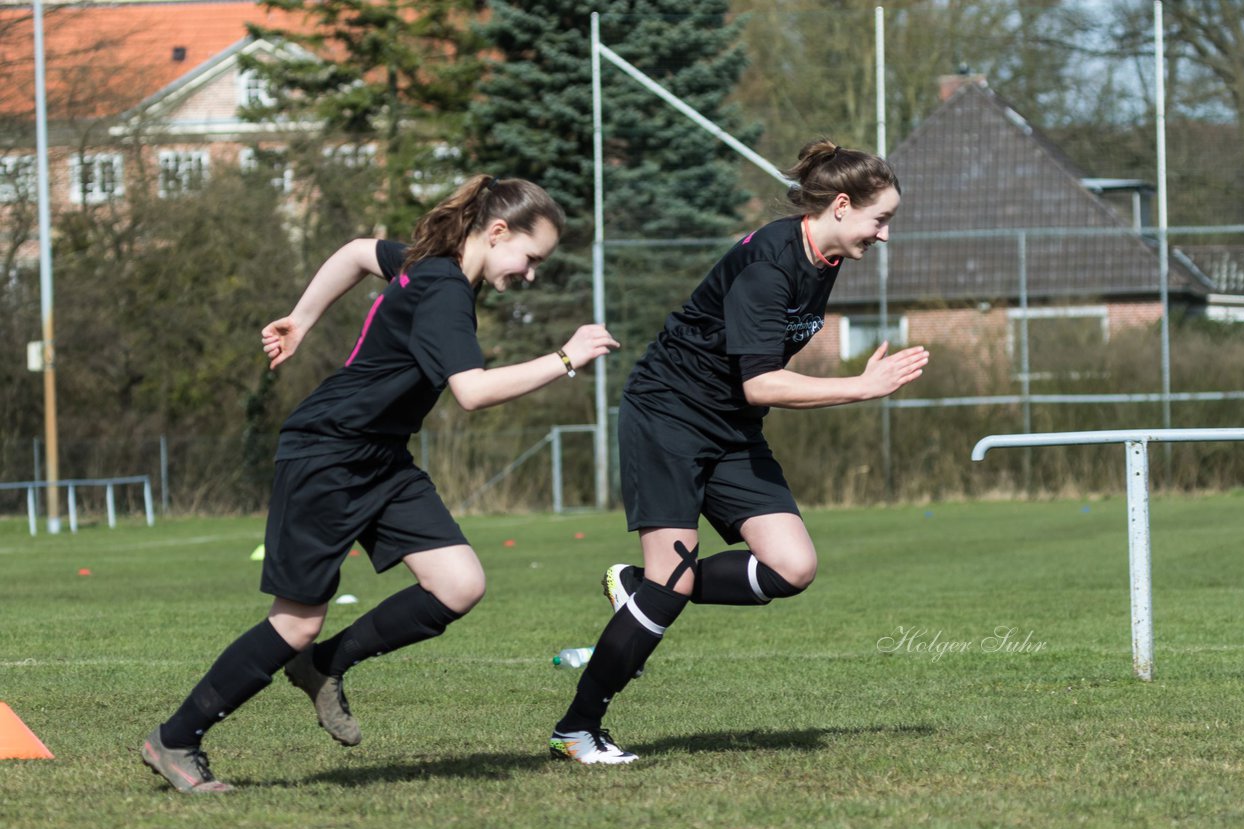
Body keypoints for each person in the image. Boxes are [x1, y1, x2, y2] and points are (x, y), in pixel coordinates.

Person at [141, 175, 619, 793]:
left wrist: (302, 320)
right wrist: (564, 359)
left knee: (458, 583)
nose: (530, 275)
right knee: (295, 622)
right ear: (497, 232)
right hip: (327, 453)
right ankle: (176, 739)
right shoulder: (445, 288)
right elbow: (471, 393)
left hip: (381, 457)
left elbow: (358, 252)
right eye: (531, 259)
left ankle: (325, 665)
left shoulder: (432, 263)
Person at [548, 141, 929, 764]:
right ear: (840, 205)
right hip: (668, 416)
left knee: (792, 567)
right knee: (671, 587)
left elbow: (750, 389)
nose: (883, 235)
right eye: (878, 219)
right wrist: (860, 387)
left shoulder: (825, 259)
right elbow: (760, 381)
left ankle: (638, 586)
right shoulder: (770, 265)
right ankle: (578, 728)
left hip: (731, 428)